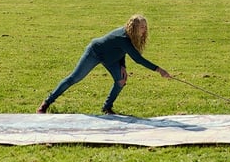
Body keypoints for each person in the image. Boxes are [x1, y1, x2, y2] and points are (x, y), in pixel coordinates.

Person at [37, 14, 171, 115]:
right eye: (142, 27)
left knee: (121, 80)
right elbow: (138, 59)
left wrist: (122, 66)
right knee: (74, 78)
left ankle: (107, 108)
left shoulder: (129, 36)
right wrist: (159, 70)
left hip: (111, 58)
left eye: (145, 27)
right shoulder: (124, 37)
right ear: (134, 27)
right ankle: (46, 103)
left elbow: (122, 51)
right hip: (95, 52)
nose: (144, 30)